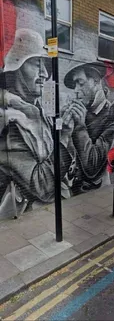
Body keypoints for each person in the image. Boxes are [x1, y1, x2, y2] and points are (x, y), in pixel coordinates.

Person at [0, 28, 71, 216]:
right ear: (17, 67)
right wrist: (63, 139)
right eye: (36, 64)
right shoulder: (10, 122)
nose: (45, 74)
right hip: (29, 217)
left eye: (45, 65)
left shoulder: (35, 111)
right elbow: (43, 185)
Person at [62, 49, 114, 194]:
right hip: (74, 190)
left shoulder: (112, 117)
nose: (75, 90)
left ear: (95, 80)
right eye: (74, 85)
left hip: (96, 193)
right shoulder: (83, 109)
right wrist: (63, 130)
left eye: (80, 83)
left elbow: (93, 167)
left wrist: (80, 128)